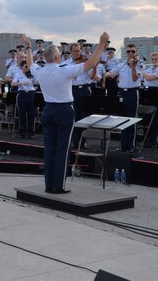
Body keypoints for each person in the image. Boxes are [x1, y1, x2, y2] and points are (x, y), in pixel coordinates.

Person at [23, 31, 109, 194]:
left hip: (48, 110)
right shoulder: (64, 70)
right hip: (64, 110)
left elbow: (30, 62)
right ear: (57, 57)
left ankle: (49, 185)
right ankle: (58, 186)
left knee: (49, 149)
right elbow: (91, 63)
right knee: (62, 148)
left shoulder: (40, 71)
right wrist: (101, 43)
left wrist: (28, 47)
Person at [105, 44, 142, 152]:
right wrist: (107, 73)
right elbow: (111, 73)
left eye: (133, 51)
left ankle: (131, 146)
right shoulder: (121, 64)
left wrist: (133, 67)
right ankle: (123, 145)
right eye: (128, 51)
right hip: (122, 93)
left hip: (132, 93)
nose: (130, 53)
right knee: (123, 120)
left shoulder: (139, 64)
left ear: (136, 53)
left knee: (132, 119)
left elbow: (135, 78)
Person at [11, 60, 38, 139]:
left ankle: (30, 132)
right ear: (22, 67)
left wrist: (34, 78)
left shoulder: (32, 74)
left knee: (31, 114)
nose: (27, 68)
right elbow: (13, 83)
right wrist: (21, 83)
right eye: (26, 66)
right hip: (22, 94)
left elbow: (37, 82)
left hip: (31, 94)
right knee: (22, 114)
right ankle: (22, 131)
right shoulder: (18, 74)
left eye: (28, 66)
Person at [143, 52, 158, 147]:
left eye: (156, 59)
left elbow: (149, 78)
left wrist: (142, 71)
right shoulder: (148, 69)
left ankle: (153, 141)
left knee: (155, 118)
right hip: (147, 94)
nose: (154, 61)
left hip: (156, 93)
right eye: (153, 59)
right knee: (146, 118)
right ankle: (146, 141)